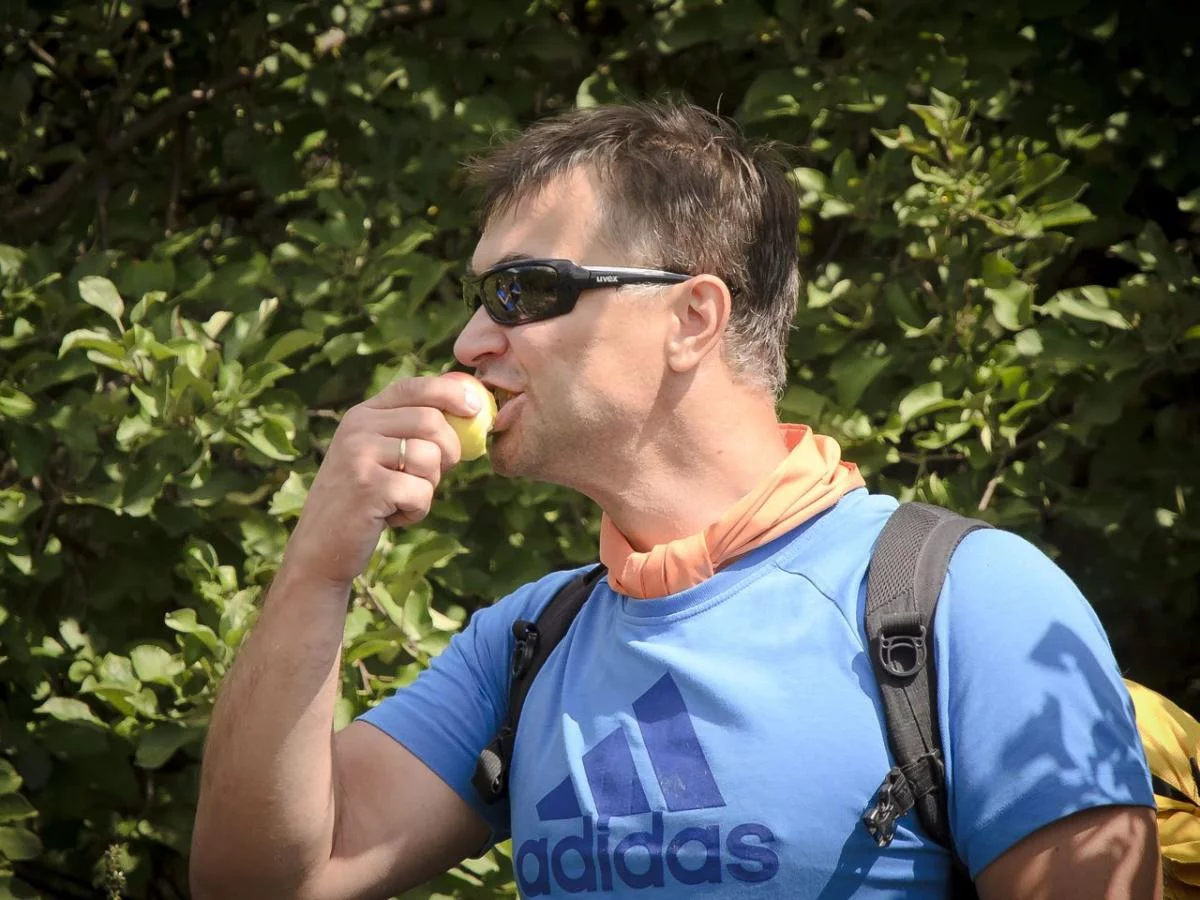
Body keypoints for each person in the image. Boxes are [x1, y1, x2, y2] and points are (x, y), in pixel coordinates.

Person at [189, 99, 1162, 900]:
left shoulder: (970, 602)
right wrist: (317, 569)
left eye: (522, 290)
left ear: (693, 317)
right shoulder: (529, 642)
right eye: (480, 297)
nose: (470, 342)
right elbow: (258, 883)